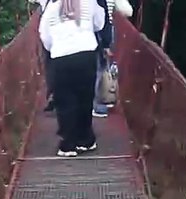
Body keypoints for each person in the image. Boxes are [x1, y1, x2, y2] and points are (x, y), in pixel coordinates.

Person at [40, 0, 105, 156]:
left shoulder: (52, 7)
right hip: (86, 53)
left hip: (61, 57)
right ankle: (85, 139)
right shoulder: (89, 3)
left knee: (65, 101)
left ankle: (68, 144)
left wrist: (55, 46)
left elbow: (44, 35)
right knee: (85, 97)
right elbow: (99, 24)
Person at [93, 0, 133, 118]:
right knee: (101, 68)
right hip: (104, 30)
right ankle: (95, 104)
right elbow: (128, 11)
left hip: (82, 30)